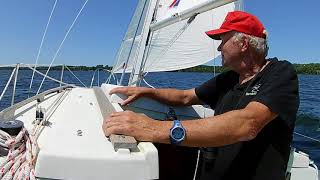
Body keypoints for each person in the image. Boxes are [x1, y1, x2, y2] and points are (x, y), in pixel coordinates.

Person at [103, 11, 299, 180]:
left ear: (244, 43)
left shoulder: (280, 73)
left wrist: (153, 128)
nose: (219, 48)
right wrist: (146, 91)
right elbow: (185, 97)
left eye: (223, 40)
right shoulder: (229, 78)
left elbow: (247, 124)